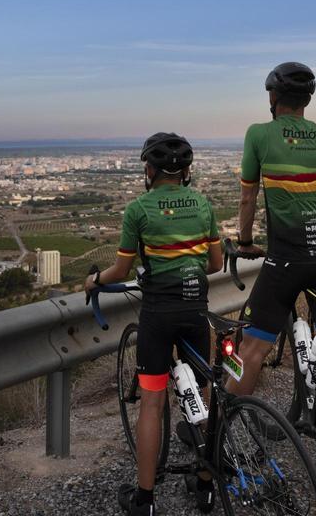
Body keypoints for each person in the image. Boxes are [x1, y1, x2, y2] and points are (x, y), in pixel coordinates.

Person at [86, 132, 223, 516]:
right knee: (204, 395)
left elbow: (122, 270)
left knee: (152, 401)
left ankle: (145, 500)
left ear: (149, 169)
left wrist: (94, 281)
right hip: (196, 310)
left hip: (158, 315)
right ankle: (206, 485)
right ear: (187, 172)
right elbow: (214, 264)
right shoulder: (202, 204)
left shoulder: (139, 210)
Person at [228, 62, 316, 403]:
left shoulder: (259, 134)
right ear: (307, 100)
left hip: (285, 261)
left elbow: (247, 197)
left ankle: (223, 433)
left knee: (251, 348)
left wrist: (246, 242)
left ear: (273, 96)